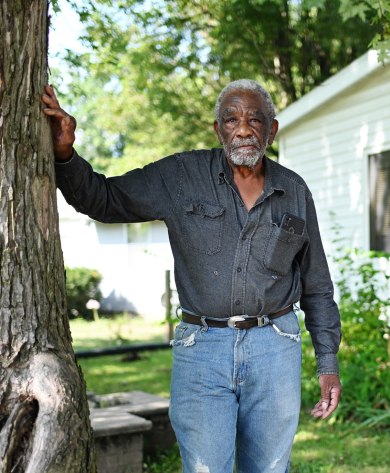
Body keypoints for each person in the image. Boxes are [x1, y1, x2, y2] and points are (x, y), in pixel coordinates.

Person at [42, 80, 342, 473]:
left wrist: (327, 363)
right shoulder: (181, 175)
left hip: (276, 348)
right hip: (203, 350)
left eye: (256, 119)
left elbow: (316, 285)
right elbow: (104, 199)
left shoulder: (294, 190)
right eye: (232, 119)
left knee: (270, 468)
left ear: (273, 129)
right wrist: (65, 153)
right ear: (218, 130)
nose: (245, 128)